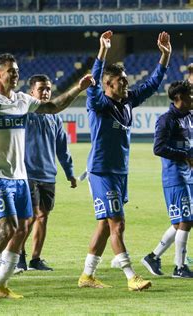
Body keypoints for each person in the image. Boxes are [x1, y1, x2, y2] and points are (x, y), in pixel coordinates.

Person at [0, 53, 94, 298]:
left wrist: (77, 89)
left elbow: (53, 106)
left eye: (17, 70)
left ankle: (2, 284)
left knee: (22, 228)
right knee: (7, 229)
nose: (16, 74)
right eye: (11, 71)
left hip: (19, 176)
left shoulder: (22, 100)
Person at [77, 30, 171, 291]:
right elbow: (93, 82)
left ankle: (87, 275)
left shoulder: (127, 101)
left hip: (119, 173)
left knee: (105, 226)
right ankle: (131, 276)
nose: (126, 84)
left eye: (126, 80)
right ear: (108, 84)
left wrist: (165, 56)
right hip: (101, 171)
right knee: (117, 224)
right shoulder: (98, 103)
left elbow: (152, 85)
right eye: (121, 81)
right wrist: (102, 51)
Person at [15, 74, 77, 273]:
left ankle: (35, 259)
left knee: (43, 216)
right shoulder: (24, 113)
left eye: (48, 89)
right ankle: (17, 256)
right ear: (31, 92)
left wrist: (70, 172)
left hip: (48, 174)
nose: (46, 92)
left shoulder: (54, 117)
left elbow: (62, 148)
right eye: (41, 89)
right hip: (28, 173)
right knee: (30, 216)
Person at [141, 80, 193, 278]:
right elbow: (158, 148)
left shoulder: (189, 117)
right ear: (179, 97)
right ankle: (180, 267)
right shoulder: (166, 120)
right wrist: (185, 156)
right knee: (186, 220)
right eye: (190, 94)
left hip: (188, 176)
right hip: (175, 176)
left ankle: (153, 257)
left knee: (181, 221)